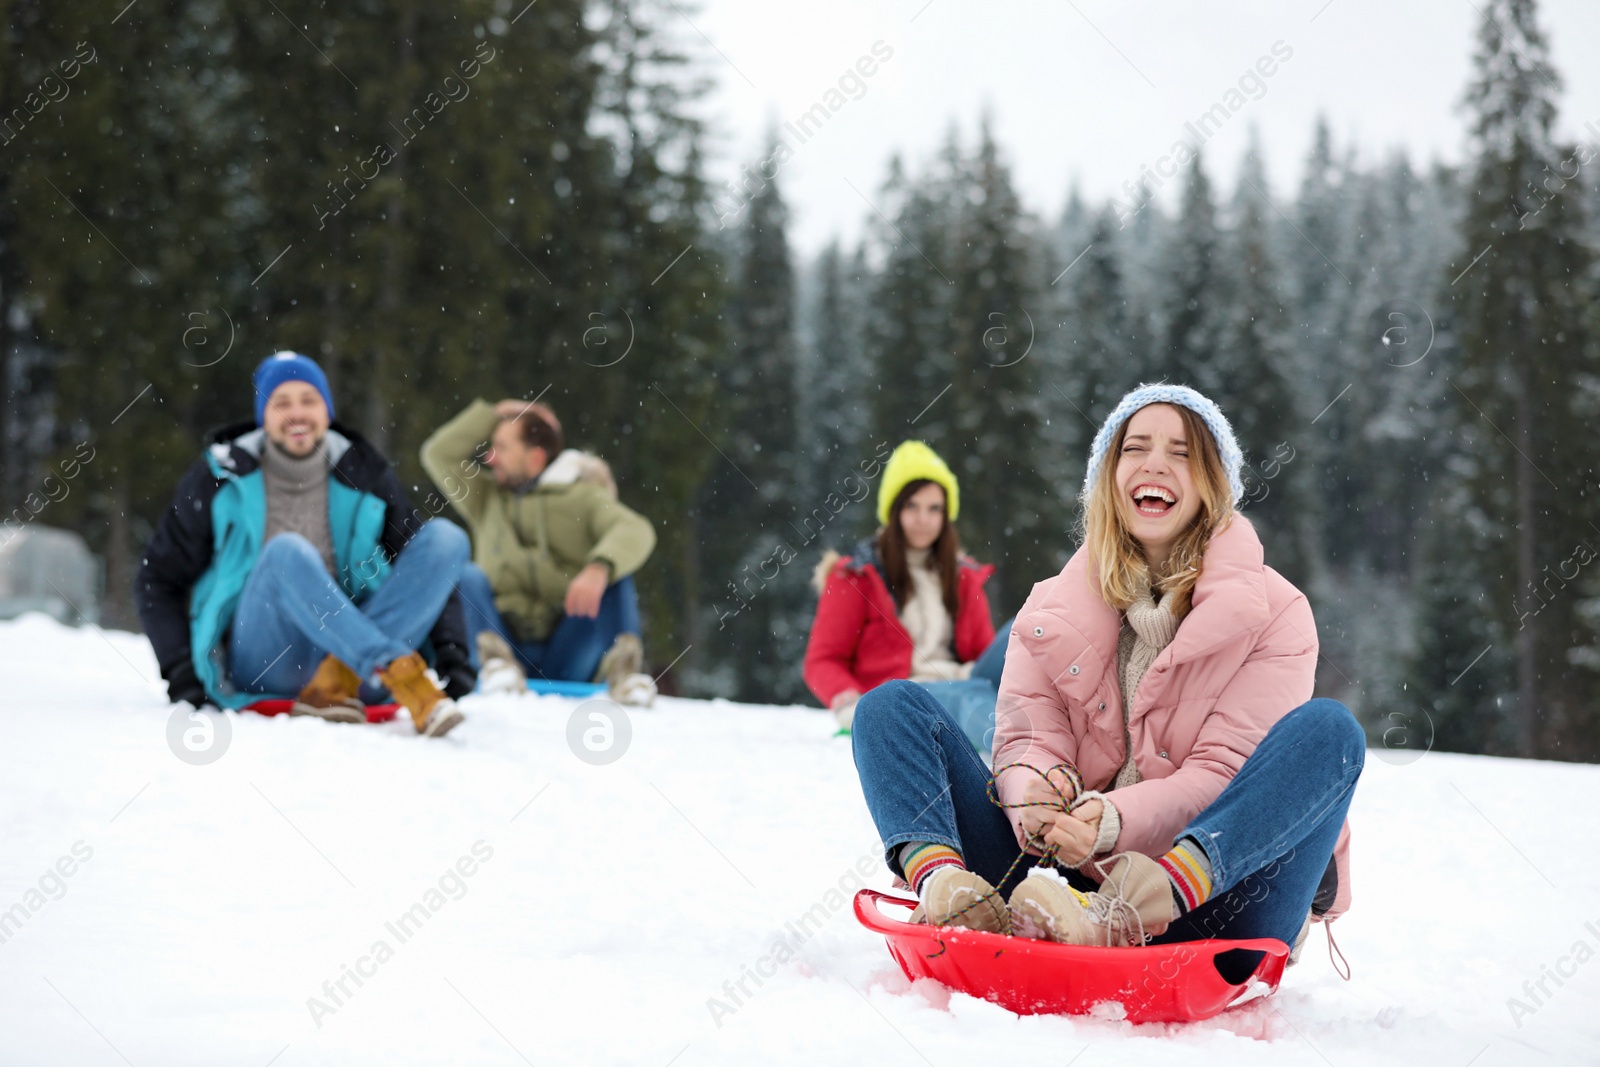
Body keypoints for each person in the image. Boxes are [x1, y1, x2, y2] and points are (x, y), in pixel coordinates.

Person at [850, 384, 1362, 969]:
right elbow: (1028, 740)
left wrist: (1112, 823)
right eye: (1135, 448)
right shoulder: (1052, 610)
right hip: (1059, 893)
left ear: (1213, 483)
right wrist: (1038, 797)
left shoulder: (1276, 614)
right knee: (890, 710)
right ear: (1109, 477)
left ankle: (1131, 912)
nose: (1154, 465)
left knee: (1330, 731)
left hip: (1213, 906)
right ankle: (951, 892)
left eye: (1181, 452)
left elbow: (1223, 774)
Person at [136, 351, 475, 738]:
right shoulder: (219, 477)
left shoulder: (362, 471)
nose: (296, 413)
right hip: (268, 658)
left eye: (309, 401)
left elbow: (420, 567)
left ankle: (338, 680)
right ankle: (394, 666)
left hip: (353, 660)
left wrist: (452, 651)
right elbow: (156, 579)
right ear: (261, 415)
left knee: (446, 539)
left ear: (327, 411)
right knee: (286, 552)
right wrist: (180, 670)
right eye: (281, 403)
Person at [420, 397, 658, 704]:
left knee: (615, 577)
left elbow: (636, 529)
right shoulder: (485, 498)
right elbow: (438, 454)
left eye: (502, 448)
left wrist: (599, 568)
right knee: (465, 573)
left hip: (567, 649)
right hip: (501, 646)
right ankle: (499, 669)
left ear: (535, 458)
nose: (491, 458)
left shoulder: (583, 498)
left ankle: (625, 676)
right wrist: (497, 412)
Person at [803, 441, 1007, 740]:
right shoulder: (856, 576)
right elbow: (823, 659)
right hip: (907, 694)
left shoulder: (963, 576)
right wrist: (848, 702)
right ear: (893, 510)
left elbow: (983, 652)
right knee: (972, 700)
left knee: (1024, 634)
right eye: (912, 506)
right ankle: (1021, 751)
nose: (923, 519)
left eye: (934, 508)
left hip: (966, 680)